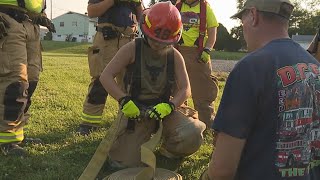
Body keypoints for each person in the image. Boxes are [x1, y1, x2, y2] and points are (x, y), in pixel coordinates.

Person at [200, 0, 320, 179]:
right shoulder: (315, 66)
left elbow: (222, 171)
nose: (243, 30)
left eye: (243, 22)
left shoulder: (249, 68)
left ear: (253, 16)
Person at [99, 1, 206, 167]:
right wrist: (124, 100)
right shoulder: (131, 49)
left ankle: (168, 149)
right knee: (123, 163)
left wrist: (170, 106)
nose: (158, 44)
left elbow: (186, 89)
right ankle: (135, 140)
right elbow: (105, 76)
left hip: (164, 110)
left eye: (164, 41)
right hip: (136, 112)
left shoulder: (175, 56)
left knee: (192, 134)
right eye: (155, 39)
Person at [77, 0, 144, 135]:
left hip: (130, 40)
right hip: (107, 40)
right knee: (100, 81)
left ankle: (127, 120)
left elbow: (142, 16)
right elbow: (91, 12)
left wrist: (138, 4)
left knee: (130, 82)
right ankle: (89, 123)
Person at [0, 0, 46, 156]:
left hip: (31, 22)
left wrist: (40, 13)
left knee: (31, 81)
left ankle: (17, 132)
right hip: (7, 20)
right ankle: (6, 140)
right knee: (14, 83)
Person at [175, 0, 219, 128]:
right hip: (178, 53)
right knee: (178, 91)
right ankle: (183, 124)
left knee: (203, 93)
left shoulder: (206, 9)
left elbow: (212, 33)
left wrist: (207, 50)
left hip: (199, 55)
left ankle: (207, 125)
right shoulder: (177, 7)